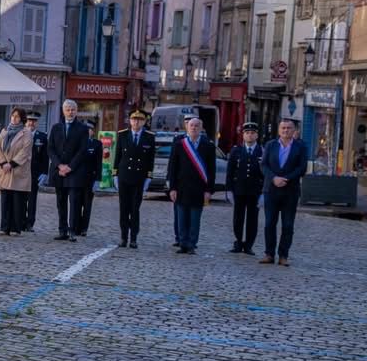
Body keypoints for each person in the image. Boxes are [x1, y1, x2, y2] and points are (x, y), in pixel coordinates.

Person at [261, 117, 309, 267]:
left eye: (288, 128)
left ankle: (283, 255)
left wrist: (286, 179)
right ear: (279, 130)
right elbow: (264, 165)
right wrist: (274, 178)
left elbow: (302, 168)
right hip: (271, 190)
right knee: (269, 224)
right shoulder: (270, 145)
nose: (285, 130)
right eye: (283, 128)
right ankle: (269, 254)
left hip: (290, 191)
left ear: (294, 130)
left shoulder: (300, 147)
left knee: (288, 225)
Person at [166, 116, 216, 254]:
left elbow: (211, 169)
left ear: (201, 128)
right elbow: (173, 167)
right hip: (181, 187)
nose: (194, 128)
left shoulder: (208, 146)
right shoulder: (179, 144)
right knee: (181, 217)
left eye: (197, 126)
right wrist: (172, 188)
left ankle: (192, 244)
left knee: (195, 219)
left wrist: (209, 190)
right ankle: (182, 243)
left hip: (199, 189)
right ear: (187, 127)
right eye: (191, 125)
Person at [112, 109, 155, 249]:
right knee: (123, 208)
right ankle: (124, 237)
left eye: (139, 120)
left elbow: (150, 159)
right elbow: (117, 156)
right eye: (134, 119)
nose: (136, 122)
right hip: (124, 176)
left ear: (144, 122)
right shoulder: (123, 135)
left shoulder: (149, 137)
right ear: (130, 121)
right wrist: (115, 175)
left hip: (139, 177)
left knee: (135, 209)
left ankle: (134, 238)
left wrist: (149, 176)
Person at [48, 100, 89, 241]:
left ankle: (72, 231)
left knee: (74, 202)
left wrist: (70, 167)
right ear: (63, 111)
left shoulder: (83, 129)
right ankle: (62, 230)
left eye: (73, 109)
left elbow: (82, 151)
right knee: (61, 202)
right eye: (68, 109)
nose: (70, 112)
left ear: (76, 111)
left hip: (74, 171)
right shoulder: (56, 127)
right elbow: (51, 148)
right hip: (59, 171)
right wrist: (59, 165)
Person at [226, 122, 266, 255]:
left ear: (257, 135)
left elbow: (266, 174)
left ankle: (249, 245)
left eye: (252, 133)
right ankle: (238, 242)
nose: (250, 135)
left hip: (255, 191)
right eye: (247, 133)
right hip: (239, 190)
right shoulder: (236, 150)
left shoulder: (263, 151)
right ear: (243, 135)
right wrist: (229, 190)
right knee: (238, 217)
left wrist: (264, 193)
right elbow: (230, 172)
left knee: (252, 219)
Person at [0, 107, 33, 236]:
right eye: (12, 116)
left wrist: (11, 164)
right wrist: (3, 163)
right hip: (5, 170)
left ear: (22, 118)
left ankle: (16, 228)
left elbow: (25, 152)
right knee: (5, 200)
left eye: (17, 116)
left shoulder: (26, 133)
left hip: (18, 171)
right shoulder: (5, 131)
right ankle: (4, 227)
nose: (14, 118)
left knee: (17, 202)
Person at [75, 125, 103, 237]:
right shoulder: (77, 143)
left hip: (90, 179)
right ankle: (75, 227)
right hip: (77, 179)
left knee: (87, 205)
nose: (88, 131)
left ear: (93, 131)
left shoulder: (97, 144)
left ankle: (84, 228)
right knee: (76, 204)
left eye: (90, 129)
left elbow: (99, 164)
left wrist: (97, 180)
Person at [25, 113, 47, 232]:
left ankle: (30, 223)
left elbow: (45, 157)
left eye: (33, 121)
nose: (31, 123)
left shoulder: (42, 137)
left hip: (35, 173)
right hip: (22, 172)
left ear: (37, 123)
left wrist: (44, 173)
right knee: (21, 198)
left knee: (32, 199)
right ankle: (21, 221)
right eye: (29, 121)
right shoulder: (21, 135)